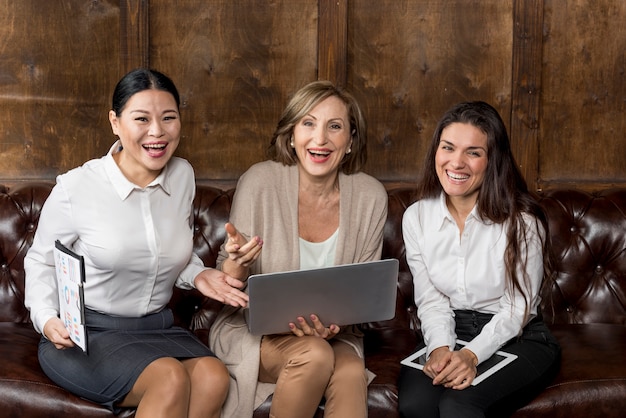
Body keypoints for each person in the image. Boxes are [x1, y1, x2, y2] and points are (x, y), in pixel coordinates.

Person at [24, 68, 248, 418]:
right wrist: (46, 317)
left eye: (168, 118)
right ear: (115, 122)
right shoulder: (77, 187)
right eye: (141, 118)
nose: (157, 131)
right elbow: (41, 261)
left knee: (213, 376)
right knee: (170, 377)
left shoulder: (183, 175)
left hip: (156, 328)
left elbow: (163, 252)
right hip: (87, 334)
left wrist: (199, 275)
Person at [208, 80, 388, 418]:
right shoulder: (259, 182)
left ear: (350, 141)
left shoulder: (370, 196)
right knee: (315, 354)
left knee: (349, 373)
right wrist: (235, 264)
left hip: (337, 335)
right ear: (291, 135)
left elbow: (365, 294)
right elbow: (227, 281)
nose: (319, 139)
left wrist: (333, 326)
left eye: (334, 127)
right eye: (308, 123)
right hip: (253, 333)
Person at [398, 101, 561, 418]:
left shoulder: (522, 222)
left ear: (492, 161)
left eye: (473, 152)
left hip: (520, 336)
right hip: (450, 330)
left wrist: (472, 355)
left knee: (459, 404)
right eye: (448, 148)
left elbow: (517, 309)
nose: (456, 162)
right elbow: (431, 299)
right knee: (416, 404)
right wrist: (441, 349)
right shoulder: (416, 218)